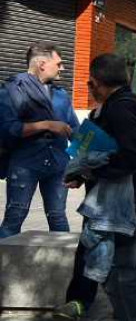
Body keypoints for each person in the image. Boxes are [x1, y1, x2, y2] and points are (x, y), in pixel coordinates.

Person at [58, 54, 136, 321]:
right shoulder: (133, 104)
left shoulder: (120, 110)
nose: (89, 88)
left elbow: (134, 157)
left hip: (128, 208)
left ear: (97, 82)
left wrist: (91, 172)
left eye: (91, 83)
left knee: (121, 274)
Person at [0, 44, 78, 238]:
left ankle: (63, 266)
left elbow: (75, 130)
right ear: (43, 64)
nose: (62, 68)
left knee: (58, 217)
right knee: (14, 216)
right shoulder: (11, 91)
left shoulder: (61, 95)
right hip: (25, 164)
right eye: (58, 63)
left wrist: (87, 162)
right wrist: (46, 125)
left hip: (58, 165)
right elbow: (7, 129)